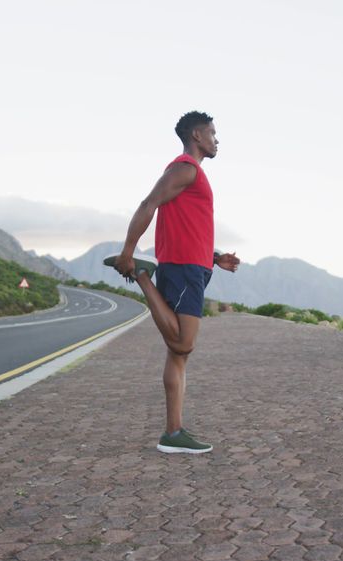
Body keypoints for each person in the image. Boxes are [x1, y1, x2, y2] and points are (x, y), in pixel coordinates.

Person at [104, 111, 240, 454]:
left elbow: (187, 224)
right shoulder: (185, 168)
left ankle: (173, 433)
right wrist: (128, 253)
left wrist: (214, 257)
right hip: (183, 269)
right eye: (212, 133)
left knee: (176, 356)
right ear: (197, 135)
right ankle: (142, 277)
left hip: (193, 265)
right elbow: (149, 203)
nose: (217, 139)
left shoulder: (192, 173)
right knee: (183, 344)